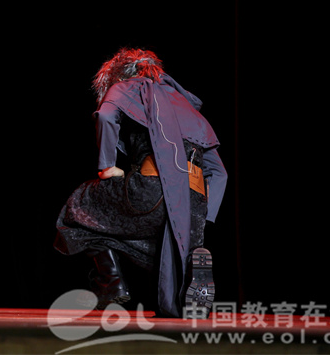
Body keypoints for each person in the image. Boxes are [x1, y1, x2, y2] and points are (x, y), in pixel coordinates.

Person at [54, 48, 227, 318]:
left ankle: (110, 283)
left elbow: (106, 116)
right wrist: (204, 217)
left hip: (153, 190)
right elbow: (219, 173)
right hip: (192, 204)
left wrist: (107, 166)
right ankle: (191, 268)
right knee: (168, 247)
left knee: (79, 207)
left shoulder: (126, 87)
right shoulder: (187, 107)